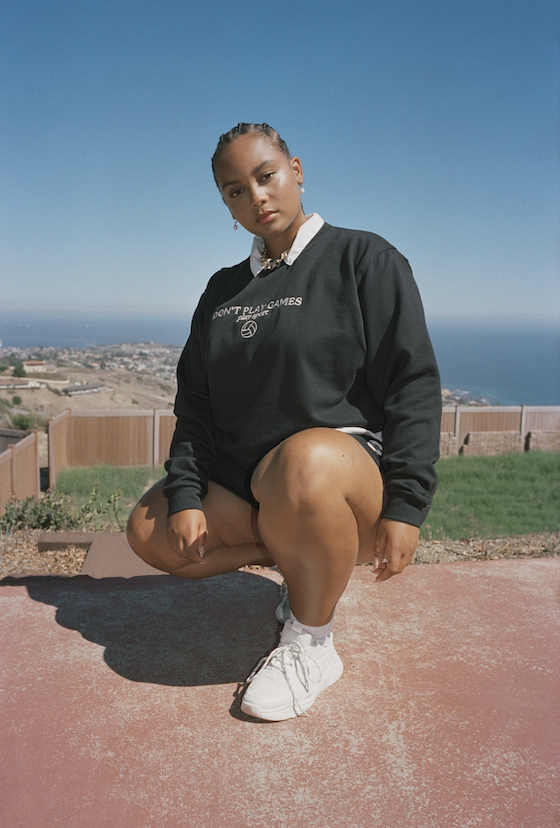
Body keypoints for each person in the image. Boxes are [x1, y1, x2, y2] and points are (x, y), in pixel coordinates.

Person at [127, 122, 441, 721]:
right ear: (226, 204)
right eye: (235, 190)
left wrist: (406, 506)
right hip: (252, 484)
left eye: (266, 176)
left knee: (304, 461)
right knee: (150, 529)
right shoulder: (222, 290)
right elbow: (195, 405)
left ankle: (310, 642)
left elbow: (413, 385)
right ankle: (295, 557)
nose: (256, 197)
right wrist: (187, 494)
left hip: (337, 480)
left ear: (296, 171)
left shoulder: (364, 258)